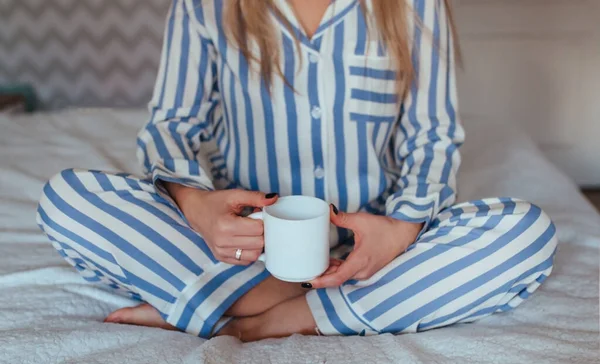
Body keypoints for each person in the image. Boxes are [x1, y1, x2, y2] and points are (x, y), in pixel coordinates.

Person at [37, 0, 557, 342]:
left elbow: (432, 139)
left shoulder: (414, 6)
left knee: (526, 234)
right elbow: (173, 125)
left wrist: (401, 230)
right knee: (67, 198)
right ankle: (275, 297)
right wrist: (197, 206)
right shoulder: (206, 6)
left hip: (371, 255)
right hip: (241, 250)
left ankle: (253, 318)